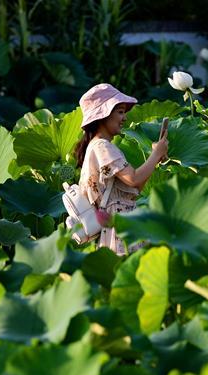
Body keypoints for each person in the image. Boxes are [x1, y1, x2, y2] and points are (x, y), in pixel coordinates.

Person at [74, 83, 169, 255]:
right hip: (118, 230)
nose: (124, 118)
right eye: (120, 112)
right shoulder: (102, 146)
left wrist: (155, 159)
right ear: (103, 115)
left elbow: (134, 188)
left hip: (117, 225)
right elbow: (133, 178)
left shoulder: (97, 146)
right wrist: (155, 155)